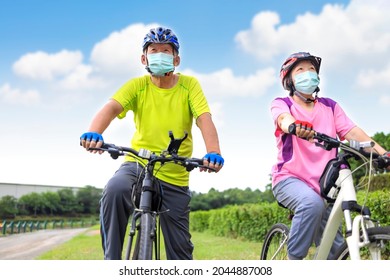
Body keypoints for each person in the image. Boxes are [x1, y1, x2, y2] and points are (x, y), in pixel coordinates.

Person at [80, 26, 224, 260]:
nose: (160, 54)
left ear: (176, 59)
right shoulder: (137, 86)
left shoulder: (190, 85)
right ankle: (111, 262)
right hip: (138, 163)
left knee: (181, 252)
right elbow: (111, 108)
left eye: (165, 51)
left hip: (175, 171)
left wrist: (214, 152)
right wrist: (93, 133)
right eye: (154, 50)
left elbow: (203, 119)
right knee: (115, 190)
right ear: (143, 58)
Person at [270, 51, 389, 260]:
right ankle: (292, 263)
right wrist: (294, 126)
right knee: (311, 204)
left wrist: (383, 153)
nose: (308, 74)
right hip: (289, 179)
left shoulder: (330, 106)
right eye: (301, 70)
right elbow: (283, 119)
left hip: (326, 187)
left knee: (335, 249)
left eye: (312, 70)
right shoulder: (283, 103)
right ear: (289, 79)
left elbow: (353, 132)